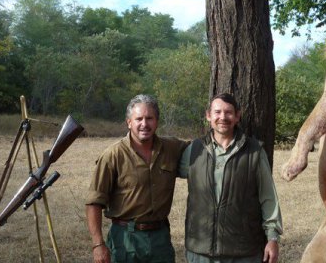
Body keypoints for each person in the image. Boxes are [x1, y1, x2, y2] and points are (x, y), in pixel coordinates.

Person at [179, 93, 283, 263]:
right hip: (200, 252)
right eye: (217, 112)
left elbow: (269, 197)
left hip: (243, 253)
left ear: (237, 116)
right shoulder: (194, 150)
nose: (222, 117)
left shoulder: (255, 152)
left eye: (228, 112)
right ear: (208, 116)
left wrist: (272, 238)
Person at [85, 94, 187, 263]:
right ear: (129, 122)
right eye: (139, 118)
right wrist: (98, 245)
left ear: (157, 121)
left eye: (149, 118)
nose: (144, 124)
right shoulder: (113, 155)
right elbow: (93, 202)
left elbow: (201, 150)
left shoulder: (172, 148)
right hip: (125, 238)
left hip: (160, 238)